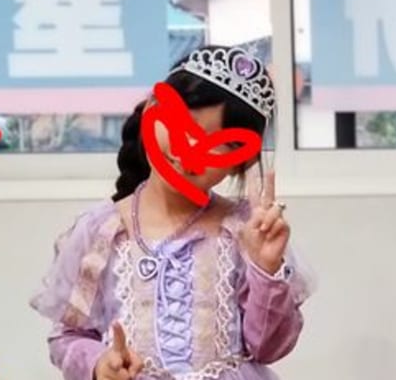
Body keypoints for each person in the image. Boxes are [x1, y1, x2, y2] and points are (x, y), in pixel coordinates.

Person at [31, 46, 313, 380]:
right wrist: (99, 363)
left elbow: (268, 348)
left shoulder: (244, 231)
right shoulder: (100, 231)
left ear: (240, 163)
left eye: (220, 144)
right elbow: (67, 335)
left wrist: (265, 269)